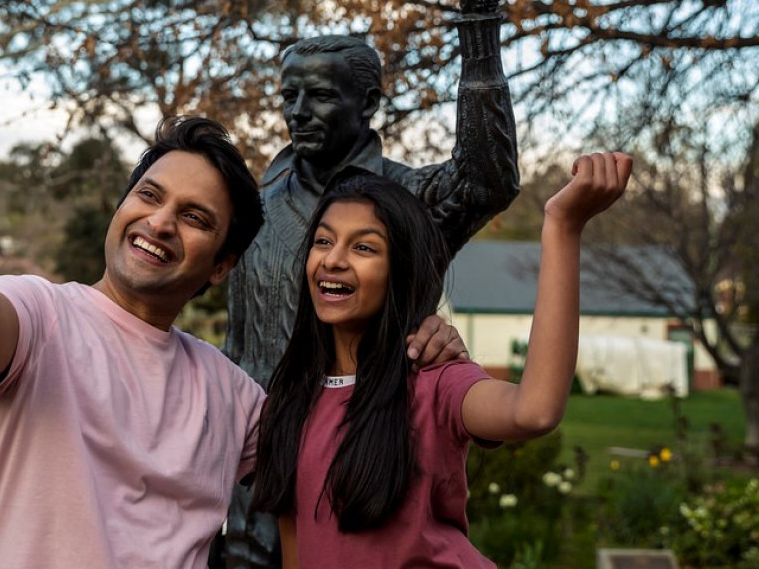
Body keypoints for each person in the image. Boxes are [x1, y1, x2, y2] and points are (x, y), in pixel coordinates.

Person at [0, 59, 466, 568]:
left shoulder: (232, 396)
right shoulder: (38, 321)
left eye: (194, 218)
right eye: (149, 196)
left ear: (222, 265)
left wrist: (426, 348)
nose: (159, 223)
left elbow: (346, 441)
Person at [223, 28, 519, 566]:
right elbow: (232, 343)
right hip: (258, 488)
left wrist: (478, 17)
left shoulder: (412, 202)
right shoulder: (252, 209)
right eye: (290, 96)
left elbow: (487, 179)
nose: (299, 111)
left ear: (369, 104)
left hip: (368, 485)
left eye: (321, 95)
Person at [250, 153, 632, 568]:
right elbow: (297, 550)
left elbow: (534, 411)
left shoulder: (433, 379)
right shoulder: (287, 402)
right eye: (323, 241)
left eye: (363, 247)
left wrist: (563, 227)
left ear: (400, 272)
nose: (334, 259)